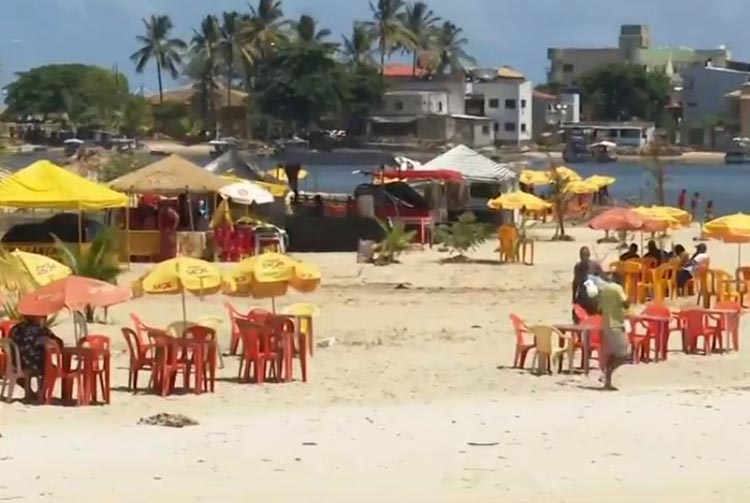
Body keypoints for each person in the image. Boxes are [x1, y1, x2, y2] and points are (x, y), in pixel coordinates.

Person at [9, 315, 64, 401]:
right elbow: (59, 343)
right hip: (34, 364)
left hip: (15, 364)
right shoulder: (40, 330)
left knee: (35, 364)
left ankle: (30, 392)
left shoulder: (16, 328)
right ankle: (41, 393)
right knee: (51, 369)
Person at [598, 273, 630, 390]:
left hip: (606, 325)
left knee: (612, 355)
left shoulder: (604, 289)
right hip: (616, 325)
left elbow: (600, 309)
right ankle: (606, 374)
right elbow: (625, 304)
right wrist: (630, 297)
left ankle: (607, 382)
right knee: (625, 354)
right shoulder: (618, 288)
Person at [572, 246, 603, 321]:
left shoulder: (595, 266)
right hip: (581, 298)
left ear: (589, 256)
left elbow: (602, 281)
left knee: (595, 318)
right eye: (582, 256)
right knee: (577, 316)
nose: (584, 258)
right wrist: (573, 297)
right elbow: (575, 282)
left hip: (593, 298)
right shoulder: (577, 267)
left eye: (585, 255)